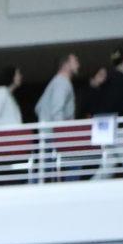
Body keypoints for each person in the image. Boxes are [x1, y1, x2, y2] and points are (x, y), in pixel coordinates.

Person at [89, 50, 123, 180]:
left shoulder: (110, 78)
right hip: (120, 129)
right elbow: (114, 103)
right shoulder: (119, 78)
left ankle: (87, 192)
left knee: (108, 166)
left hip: (108, 128)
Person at [0, 67, 29, 185]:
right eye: (18, 74)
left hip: (11, 145)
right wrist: (14, 127)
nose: (20, 77)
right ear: (11, 76)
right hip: (6, 144)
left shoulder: (8, 95)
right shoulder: (1, 92)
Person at [36, 54, 78, 182]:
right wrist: (64, 136)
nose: (78, 64)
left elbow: (38, 107)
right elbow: (57, 111)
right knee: (75, 162)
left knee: (46, 173)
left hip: (49, 136)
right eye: (75, 61)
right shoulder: (61, 82)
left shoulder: (57, 82)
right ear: (66, 65)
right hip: (55, 137)